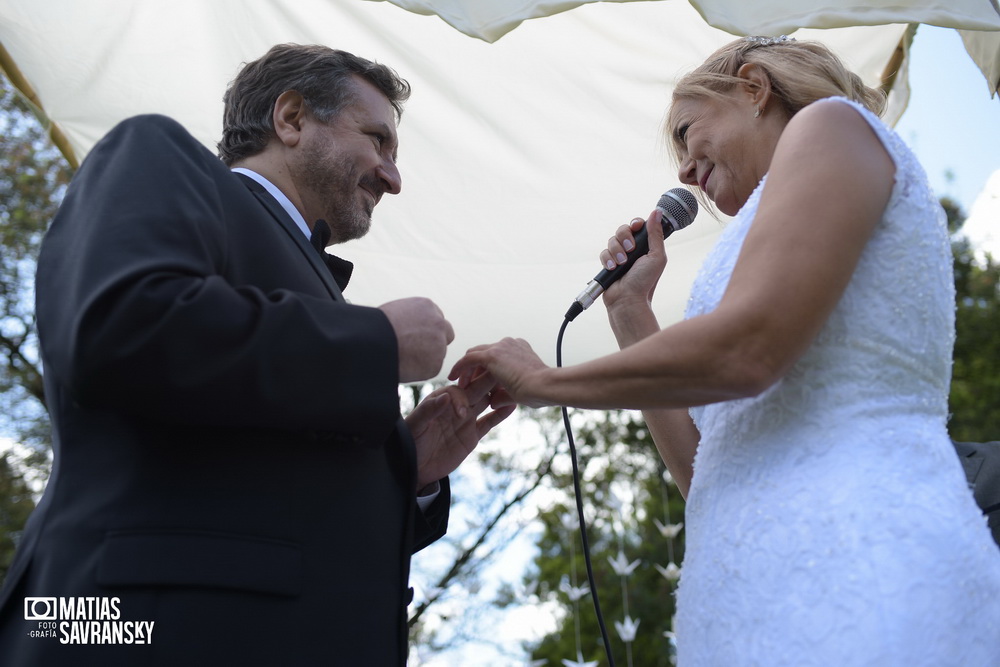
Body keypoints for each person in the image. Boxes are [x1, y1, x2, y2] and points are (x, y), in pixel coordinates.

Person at [452, 36, 1000, 664]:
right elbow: (705, 476)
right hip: (746, 589)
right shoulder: (750, 232)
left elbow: (749, 350)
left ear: (753, 87)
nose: (684, 171)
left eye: (688, 132)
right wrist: (630, 311)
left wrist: (543, 382)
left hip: (855, 548)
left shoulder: (833, 127)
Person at [0, 44, 513, 666]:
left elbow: (264, 500)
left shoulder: (316, 292)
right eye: (377, 140)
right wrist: (375, 342)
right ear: (292, 118)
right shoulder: (159, 155)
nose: (392, 176)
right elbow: (120, 327)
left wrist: (407, 469)